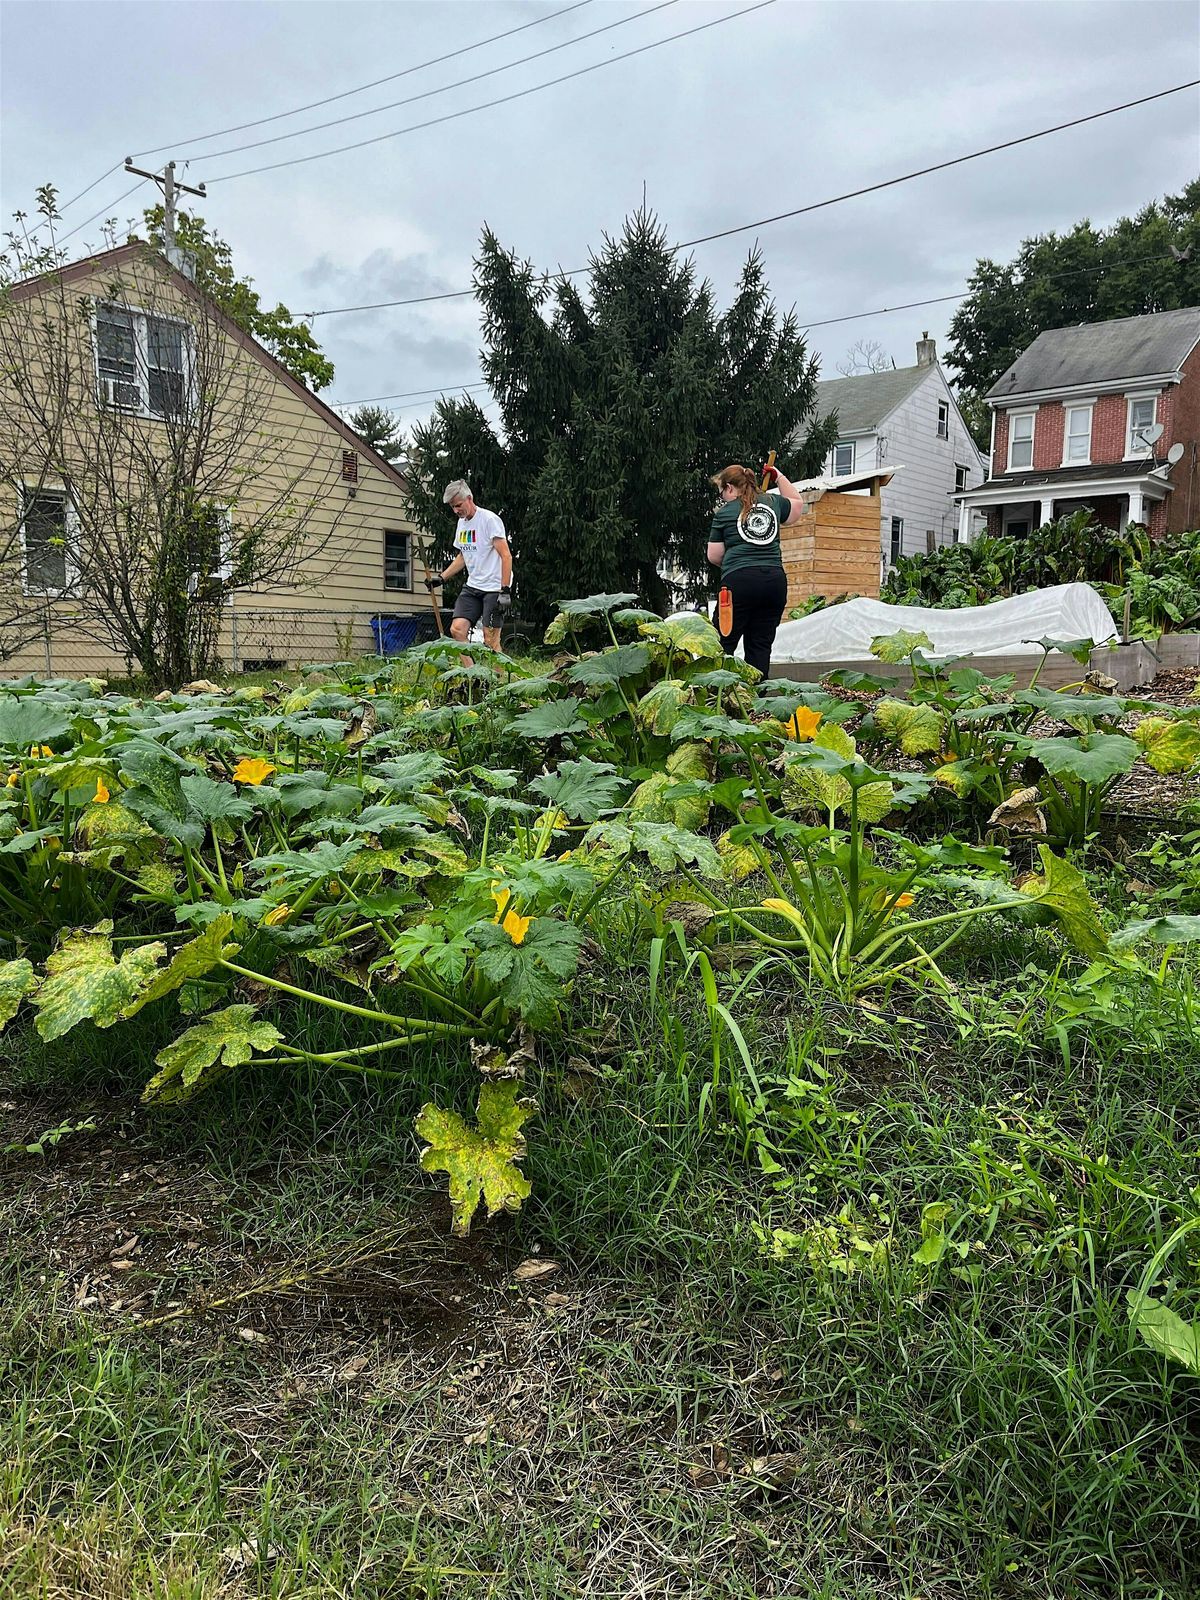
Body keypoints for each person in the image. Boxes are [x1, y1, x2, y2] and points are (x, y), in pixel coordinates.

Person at [706, 463, 807, 678]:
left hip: (738, 584)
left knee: (722, 643)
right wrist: (778, 476)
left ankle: (720, 697)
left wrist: (737, 563)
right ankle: (755, 704)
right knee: (760, 646)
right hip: (774, 582)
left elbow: (714, 556)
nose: (722, 497)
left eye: (722, 492)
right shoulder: (772, 502)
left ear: (730, 488)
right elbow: (797, 504)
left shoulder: (724, 513)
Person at [425, 479, 513, 652]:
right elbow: (463, 556)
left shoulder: (489, 520)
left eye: (458, 505)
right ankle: (472, 675)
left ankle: (500, 678)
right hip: (473, 586)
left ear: (469, 498)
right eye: (452, 507)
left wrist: (505, 591)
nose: (456, 510)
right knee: (457, 630)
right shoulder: (462, 524)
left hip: (494, 587)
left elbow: (506, 555)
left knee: (490, 638)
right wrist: (442, 578)